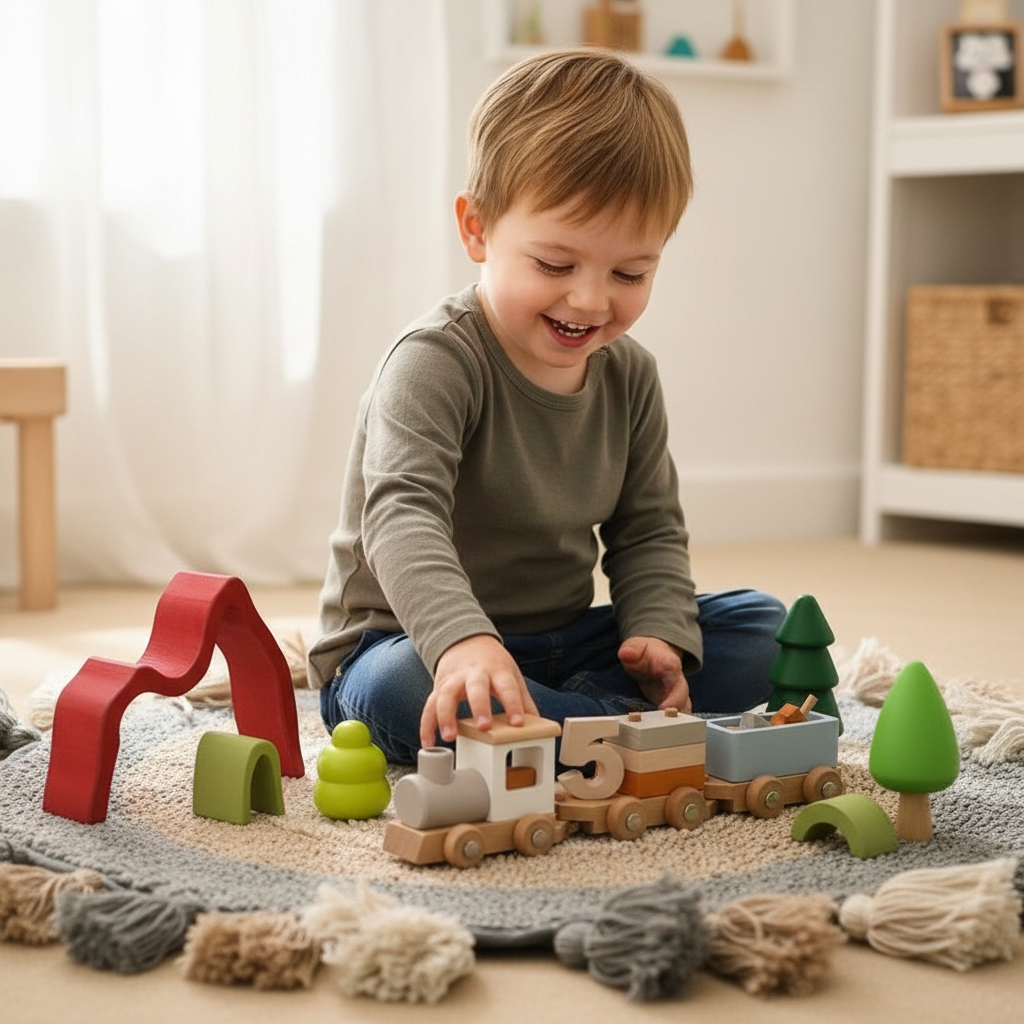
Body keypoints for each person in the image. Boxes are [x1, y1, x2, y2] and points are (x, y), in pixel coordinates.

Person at [308, 47, 786, 765]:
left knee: (765, 629)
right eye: (555, 265)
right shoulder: (434, 361)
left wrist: (659, 633)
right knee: (397, 687)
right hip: (410, 641)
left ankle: (566, 724)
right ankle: (620, 731)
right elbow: (401, 518)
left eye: (630, 273)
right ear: (477, 229)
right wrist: (464, 643)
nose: (590, 300)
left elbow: (648, 529)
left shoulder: (631, 376)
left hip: (562, 643)